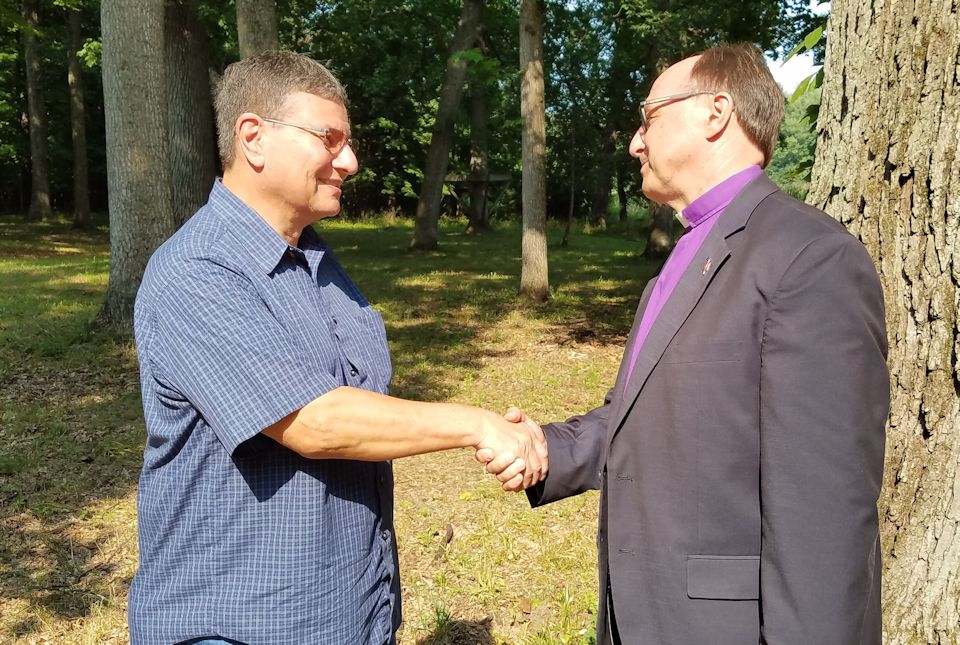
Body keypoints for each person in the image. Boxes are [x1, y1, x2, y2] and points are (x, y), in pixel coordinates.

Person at [128, 51, 545, 645]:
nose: (349, 161)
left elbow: (354, 395)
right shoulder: (196, 272)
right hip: (241, 622)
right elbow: (314, 421)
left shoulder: (315, 257)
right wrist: (478, 425)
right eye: (330, 139)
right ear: (254, 138)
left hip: (345, 609)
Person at [488, 43, 889, 643]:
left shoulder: (810, 260)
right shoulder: (688, 255)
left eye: (649, 117)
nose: (634, 141)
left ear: (715, 112)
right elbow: (649, 419)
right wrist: (547, 448)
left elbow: (824, 522)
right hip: (645, 611)